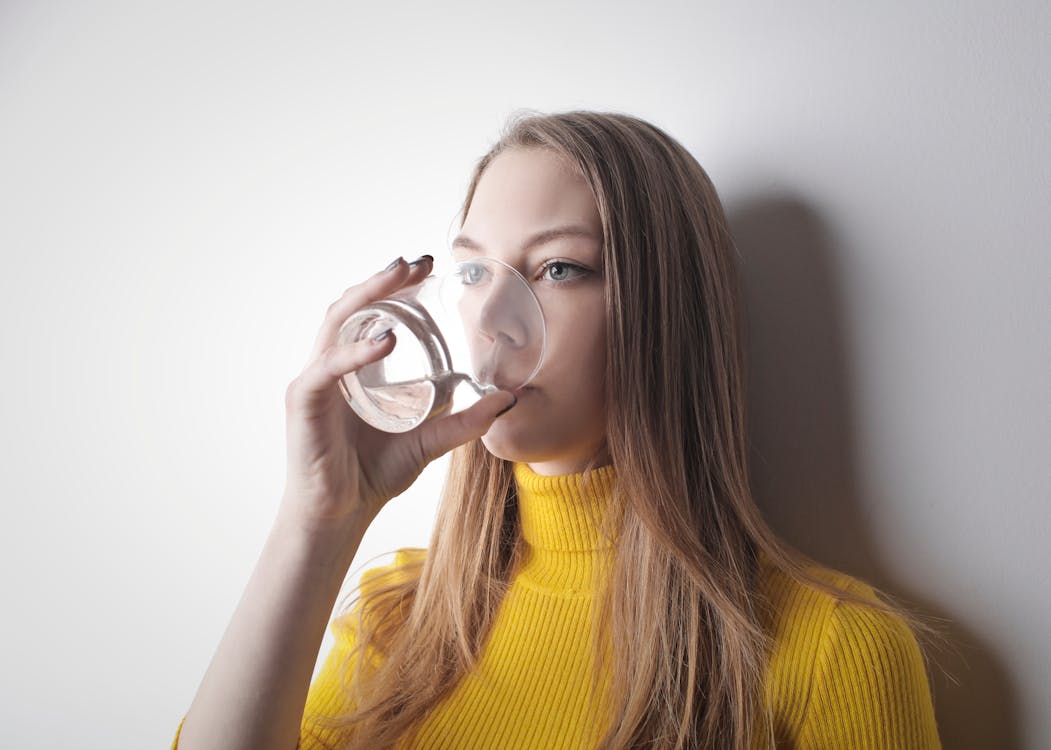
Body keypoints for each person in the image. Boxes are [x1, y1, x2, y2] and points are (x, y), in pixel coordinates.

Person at [173, 111, 945, 749]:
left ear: (666, 312)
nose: (490, 321)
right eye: (473, 271)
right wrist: (317, 520)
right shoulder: (393, 615)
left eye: (557, 270)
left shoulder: (835, 654)